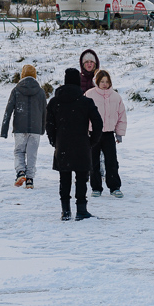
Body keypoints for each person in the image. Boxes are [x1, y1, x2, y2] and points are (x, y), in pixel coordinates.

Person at [46, 68, 103, 221]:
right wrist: (92, 141)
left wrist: (54, 141)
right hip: (82, 145)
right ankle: (81, 210)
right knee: (81, 178)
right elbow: (98, 123)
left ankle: (65, 211)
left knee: (64, 178)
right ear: (78, 82)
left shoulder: (54, 102)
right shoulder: (86, 102)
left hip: (62, 145)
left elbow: (49, 125)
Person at [0, 64, 47, 189]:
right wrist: (42, 129)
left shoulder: (16, 90)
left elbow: (8, 110)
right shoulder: (41, 92)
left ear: (22, 75)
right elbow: (45, 112)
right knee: (32, 154)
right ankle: (30, 179)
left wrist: (4, 130)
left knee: (19, 151)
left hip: (20, 128)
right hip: (35, 128)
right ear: (35, 76)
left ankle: (20, 172)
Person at [85, 69, 127, 198]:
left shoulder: (115, 97)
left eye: (107, 82)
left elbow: (121, 115)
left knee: (111, 161)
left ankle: (114, 187)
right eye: (102, 81)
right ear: (97, 82)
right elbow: (83, 115)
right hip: (93, 134)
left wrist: (119, 133)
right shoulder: (89, 94)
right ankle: (96, 187)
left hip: (108, 134)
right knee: (94, 162)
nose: (104, 84)